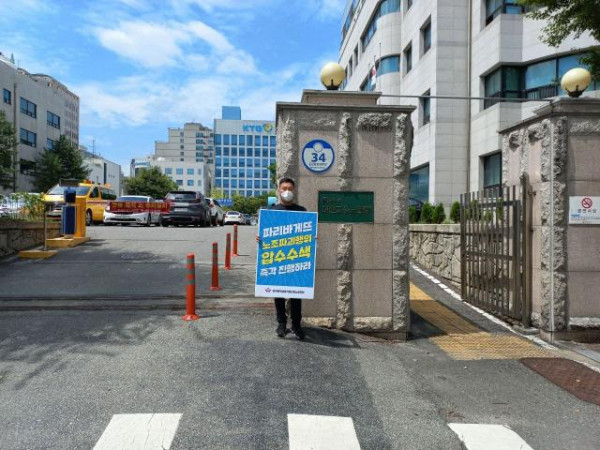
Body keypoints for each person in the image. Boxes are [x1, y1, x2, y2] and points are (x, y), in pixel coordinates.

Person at [257, 177, 307, 340]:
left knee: (297, 294)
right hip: (277, 258)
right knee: (277, 292)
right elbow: (265, 233)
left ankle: (297, 325)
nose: (287, 191)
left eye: (290, 189)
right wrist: (260, 238)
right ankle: (281, 324)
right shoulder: (271, 212)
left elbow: (308, 232)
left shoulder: (302, 211)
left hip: (295, 258)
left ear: (294, 190)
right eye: (284, 188)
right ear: (278, 190)